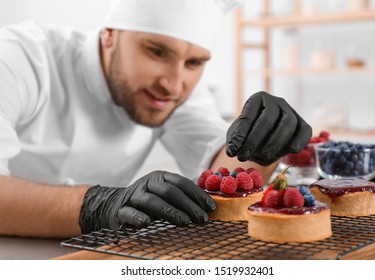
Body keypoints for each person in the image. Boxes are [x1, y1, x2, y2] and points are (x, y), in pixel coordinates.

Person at [0, 0, 311, 238]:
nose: (174, 84)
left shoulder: (172, 91)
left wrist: (263, 144)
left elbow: (224, 173)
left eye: (193, 63)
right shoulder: (18, 58)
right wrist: (96, 205)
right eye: (157, 52)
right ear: (109, 35)